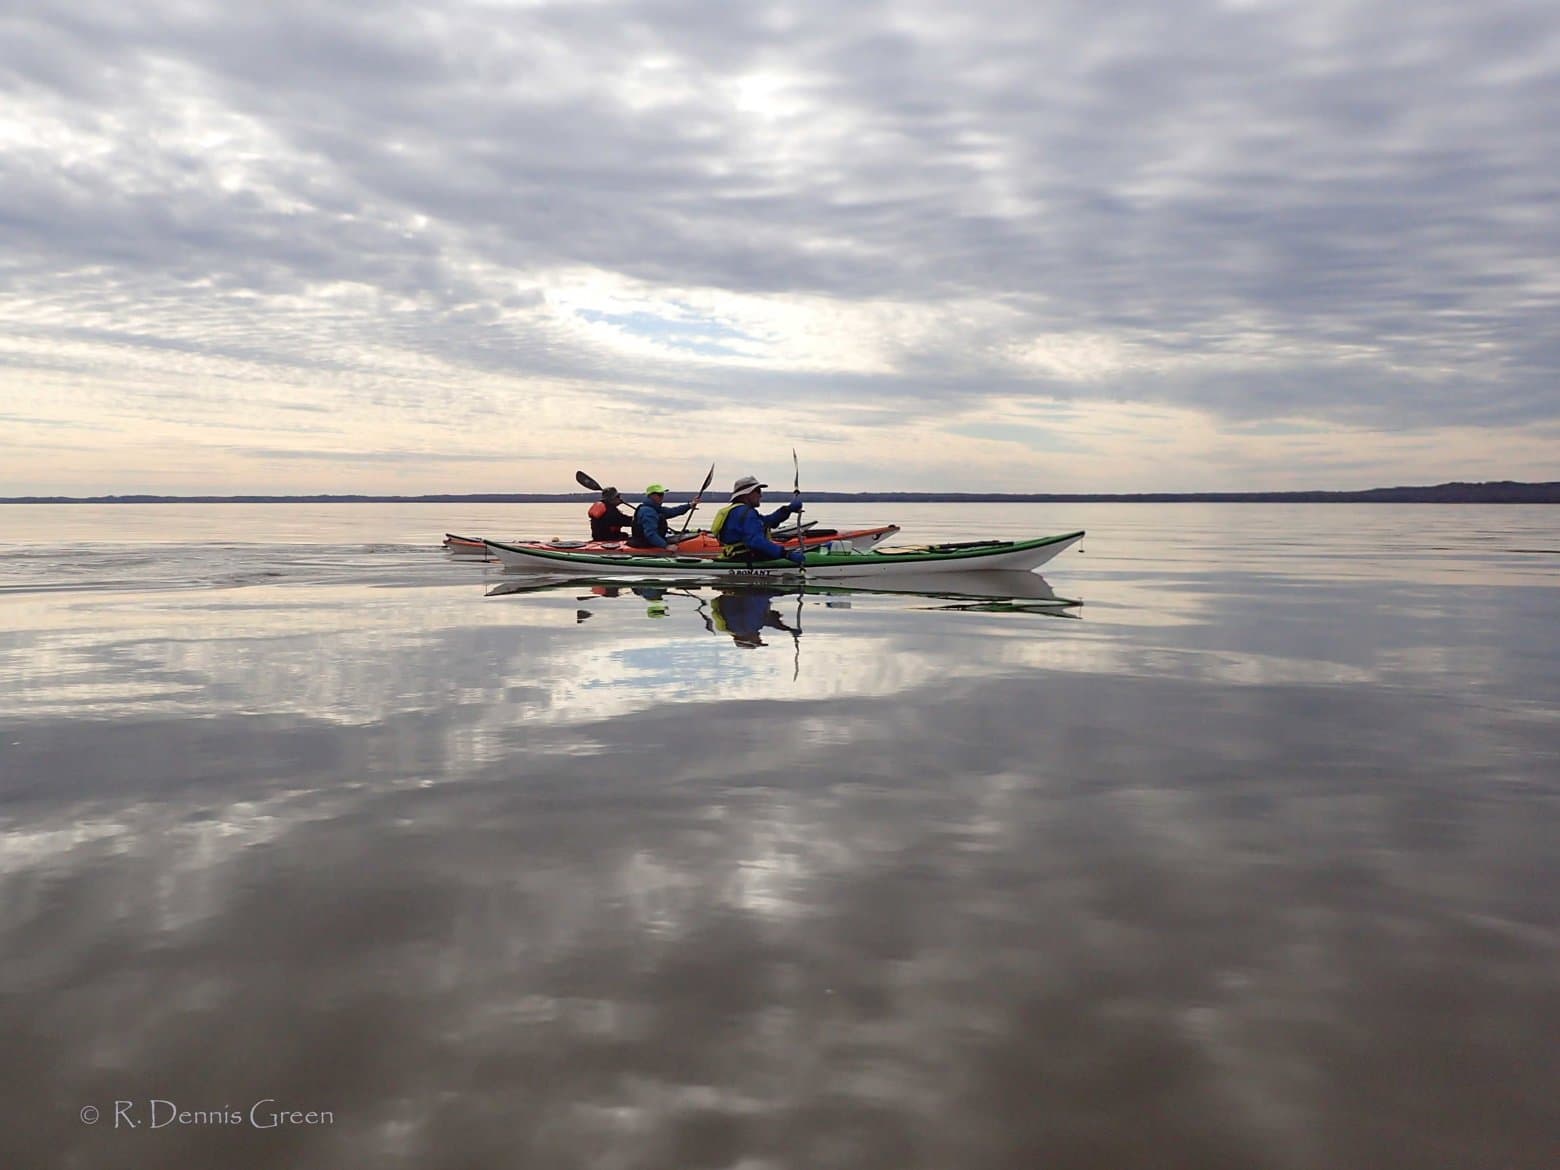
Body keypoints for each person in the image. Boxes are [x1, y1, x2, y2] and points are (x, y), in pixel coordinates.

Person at [710, 475, 806, 565]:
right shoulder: (745, 513)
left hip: (733, 556)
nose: (761, 495)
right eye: (758, 491)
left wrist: (787, 509)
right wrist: (787, 554)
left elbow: (767, 522)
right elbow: (756, 541)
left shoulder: (738, 511)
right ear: (747, 494)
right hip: (745, 558)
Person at [627, 483, 696, 549]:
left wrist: (689, 505)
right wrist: (666, 546)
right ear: (651, 496)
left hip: (648, 542)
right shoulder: (648, 512)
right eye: (659, 494)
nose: (662, 497)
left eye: (662, 494)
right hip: (645, 544)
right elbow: (650, 534)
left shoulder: (656, 508)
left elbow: (672, 511)